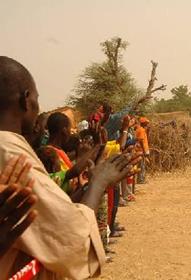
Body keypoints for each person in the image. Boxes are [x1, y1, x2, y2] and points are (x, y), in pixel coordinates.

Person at [0, 56, 139, 279]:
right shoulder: (9, 151)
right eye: (36, 98)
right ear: (26, 100)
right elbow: (70, 240)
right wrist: (98, 183)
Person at [136, 117, 150, 184]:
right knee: (141, 165)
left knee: (142, 165)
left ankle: (141, 179)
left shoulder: (141, 129)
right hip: (141, 150)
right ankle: (141, 180)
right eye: (146, 122)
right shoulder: (141, 130)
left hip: (141, 150)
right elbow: (141, 141)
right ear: (143, 123)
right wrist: (144, 151)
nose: (147, 123)